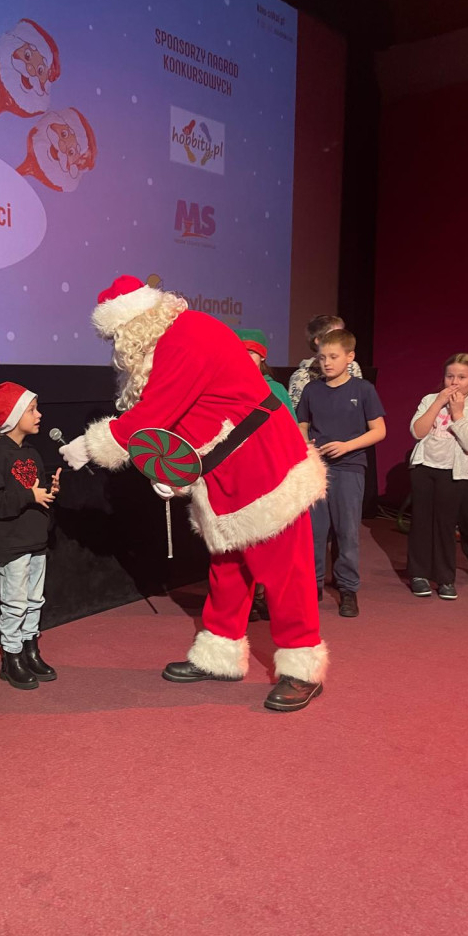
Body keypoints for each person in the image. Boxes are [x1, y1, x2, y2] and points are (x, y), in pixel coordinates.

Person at [59, 275, 328, 712]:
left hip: (262, 460)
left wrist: (91, 445)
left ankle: (302, 667)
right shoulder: (173, 338)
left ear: (135, 322)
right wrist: (175, 471)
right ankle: (220, 654)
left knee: (284, 568)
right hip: (226, 465)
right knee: (228, 565)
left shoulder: (185, 338)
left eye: (116, 336)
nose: (117, 349)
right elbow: (194, 414)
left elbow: (155, 414)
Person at [0, 382, 60, 690]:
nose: (39, 415)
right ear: (13, 416)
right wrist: (29, 496)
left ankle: (30, 650)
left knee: (35, 599)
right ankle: (11, 657)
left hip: (36, 539)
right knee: (15, 603)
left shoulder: (31, 452)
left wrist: (48, 493)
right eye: (32, 410)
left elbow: (34, 492)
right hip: (13, 543)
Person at [296, 328, 386, 617]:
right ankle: (312, 586)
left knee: (347, 531)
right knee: (314, 531)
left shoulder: (363, 390)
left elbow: (379, 430)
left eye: (333, 357)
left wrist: (347, 446)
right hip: (317, 468)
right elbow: (302, 424)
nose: (327, 363)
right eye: (322, 358)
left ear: (350, 357)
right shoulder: (312, 390)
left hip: (349, 467)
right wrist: (306, 446)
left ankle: (348, 588)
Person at [235, 328, 296, 621]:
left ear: (262, 357)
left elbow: (291, 431)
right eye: (240, 352)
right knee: (242, 541)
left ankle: (266, 596)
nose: (245, 357)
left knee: (270, 539)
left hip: (270, 473)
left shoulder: (276, 390)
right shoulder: (227, 388)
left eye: (251, 352)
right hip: (239, 474)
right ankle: (245, 599)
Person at [406, 353, 468, 599]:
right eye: (450, 376)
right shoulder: (430, 399)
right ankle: (418, 574)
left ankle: (445, 578)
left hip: (454, 473)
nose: (454, 382)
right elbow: (417, 432)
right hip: (424, 468)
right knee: (421, 522)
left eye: (462, 377)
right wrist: (437, 404)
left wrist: (457, 413)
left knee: (445, 525)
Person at [288, 313, 362, 409]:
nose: (341, 340)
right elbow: (294, 414)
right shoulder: (302, 376)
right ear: (318, 341)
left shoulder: (351, 366)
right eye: (334, 336)